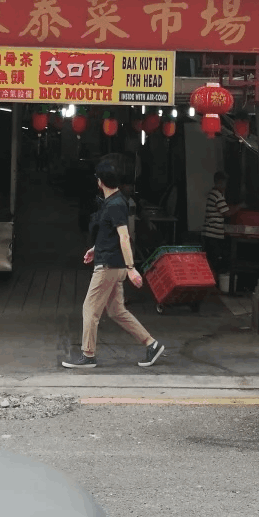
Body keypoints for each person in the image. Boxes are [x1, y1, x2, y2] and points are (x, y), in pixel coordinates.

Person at [62, 153, 165, 370]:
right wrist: (95, 249)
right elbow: (110, 234)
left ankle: (88, 355)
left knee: (89, 309)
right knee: (117, 311)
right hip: (110, 261)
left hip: (109, 266)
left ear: (100, 181)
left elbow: (124, 236)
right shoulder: (115, 201)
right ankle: (152, 344)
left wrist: (131, 268)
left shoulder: (115, 204)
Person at [202, 171, 233, 275]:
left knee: (212, 260)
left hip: (210, 233)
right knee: (214, 261)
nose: (226, 185)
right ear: (220, 182)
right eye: (225, 183)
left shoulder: (213, 193)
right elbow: (227, 213)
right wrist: (240, 206)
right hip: (213, 234)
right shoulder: (217, 195)